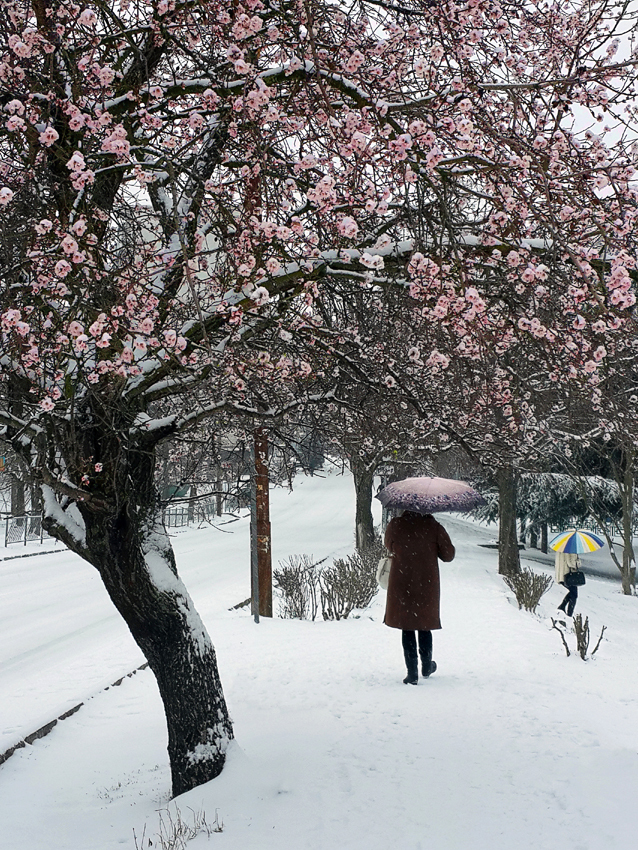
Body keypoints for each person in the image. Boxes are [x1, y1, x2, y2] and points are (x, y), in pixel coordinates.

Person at [384, 510, 455, 685]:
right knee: (424, 624)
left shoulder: (396, 525)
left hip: (402, 581)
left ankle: (412, 672)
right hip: (426, 584)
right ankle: (426, 666)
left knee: (407, 626)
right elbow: (448, 555)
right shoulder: (434, 527)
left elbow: (389, 546)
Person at [555, 550, 580, 617]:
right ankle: (569, 613)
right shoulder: (571, 548)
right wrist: (578, 562)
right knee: (574, 595)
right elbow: (571, 563)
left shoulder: (561, 547)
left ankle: (562, 607)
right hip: (568, 576)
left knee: (572, 592)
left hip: (561, 574)